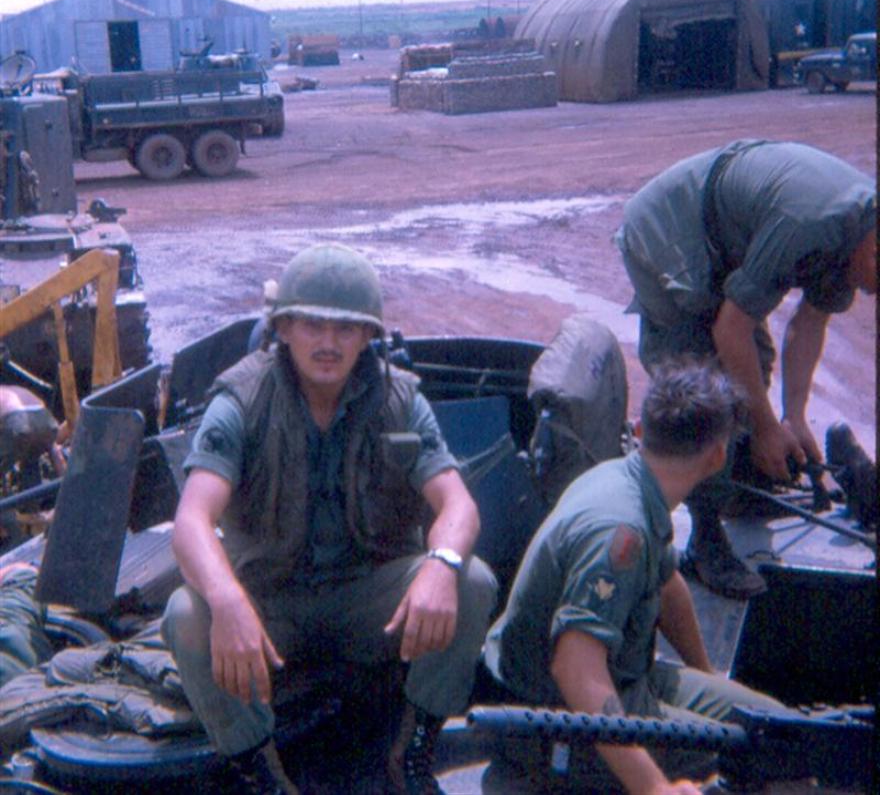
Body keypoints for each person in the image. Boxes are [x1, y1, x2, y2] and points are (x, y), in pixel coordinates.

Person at [161, 243, 498, 795]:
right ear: (285, 328)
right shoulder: (242, 399)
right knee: (185, 612)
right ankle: (259, 768)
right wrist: (225, 600)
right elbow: (192, 520)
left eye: (346, 329)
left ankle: (411, 750)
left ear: (369, 337)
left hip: (371, 598)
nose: (328, 342)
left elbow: (457, 504)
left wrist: (441, 562)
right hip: (270, 601)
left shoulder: (399, 398)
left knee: (472, 579)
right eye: (312, 325)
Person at [482, 360, 788, 795]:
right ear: (718, 457)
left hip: (629, 674)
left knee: (783, 731)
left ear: (641, 430)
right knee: (762, 761)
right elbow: (575, 667)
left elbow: (667, 585)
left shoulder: (632, 480)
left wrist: (704, 675)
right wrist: (653, 788)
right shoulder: (620, 528)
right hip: (554, 715)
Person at [614, 139, 876, 598]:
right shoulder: (811, 223)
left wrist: (792, 416)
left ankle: (739, 478)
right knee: (703, 387)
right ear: (872, 254)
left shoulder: (859, 232)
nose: (871, 296)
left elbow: (810, 321)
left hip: (721, 237)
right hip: (668, 231)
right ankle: (706, 534)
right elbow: (729, 331)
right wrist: (763, 427)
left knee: (755, 364)